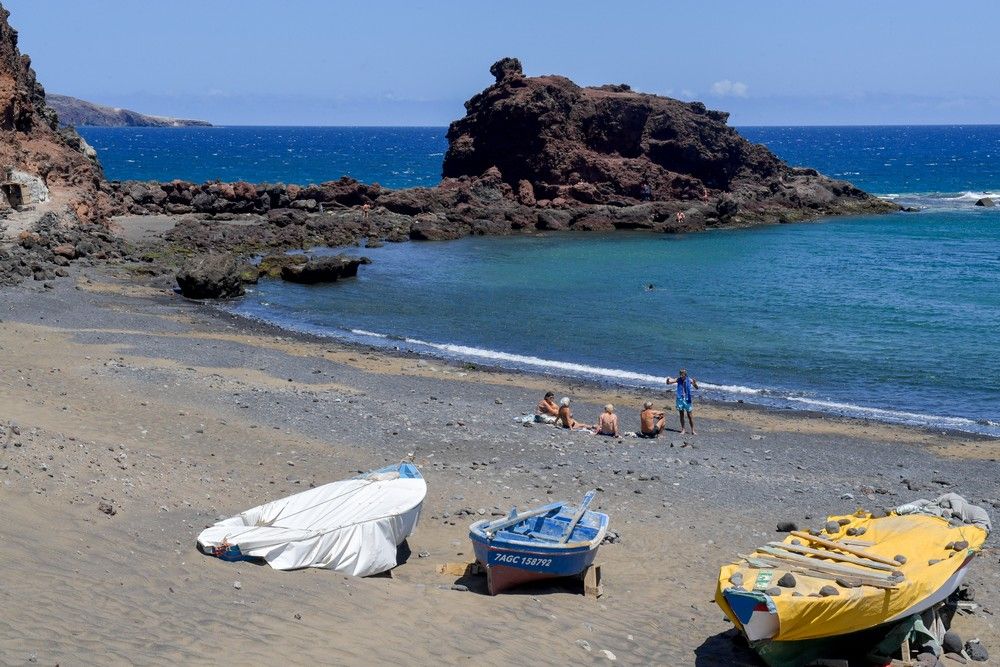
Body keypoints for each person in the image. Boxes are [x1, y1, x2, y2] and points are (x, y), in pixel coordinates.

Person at [665, 369, 699, 435]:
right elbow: (668, 383)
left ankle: (693, 430)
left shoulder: (690, 380)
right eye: (680, 373)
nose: (681, 375)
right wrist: (667, 379)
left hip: (687, 399)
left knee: (690, 415)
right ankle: (683, 429)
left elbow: (697, 388)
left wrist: (694, 383)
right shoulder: (678, 379)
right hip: (680, 398)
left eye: (683, 373)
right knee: (681, 414)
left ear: (685, 374)